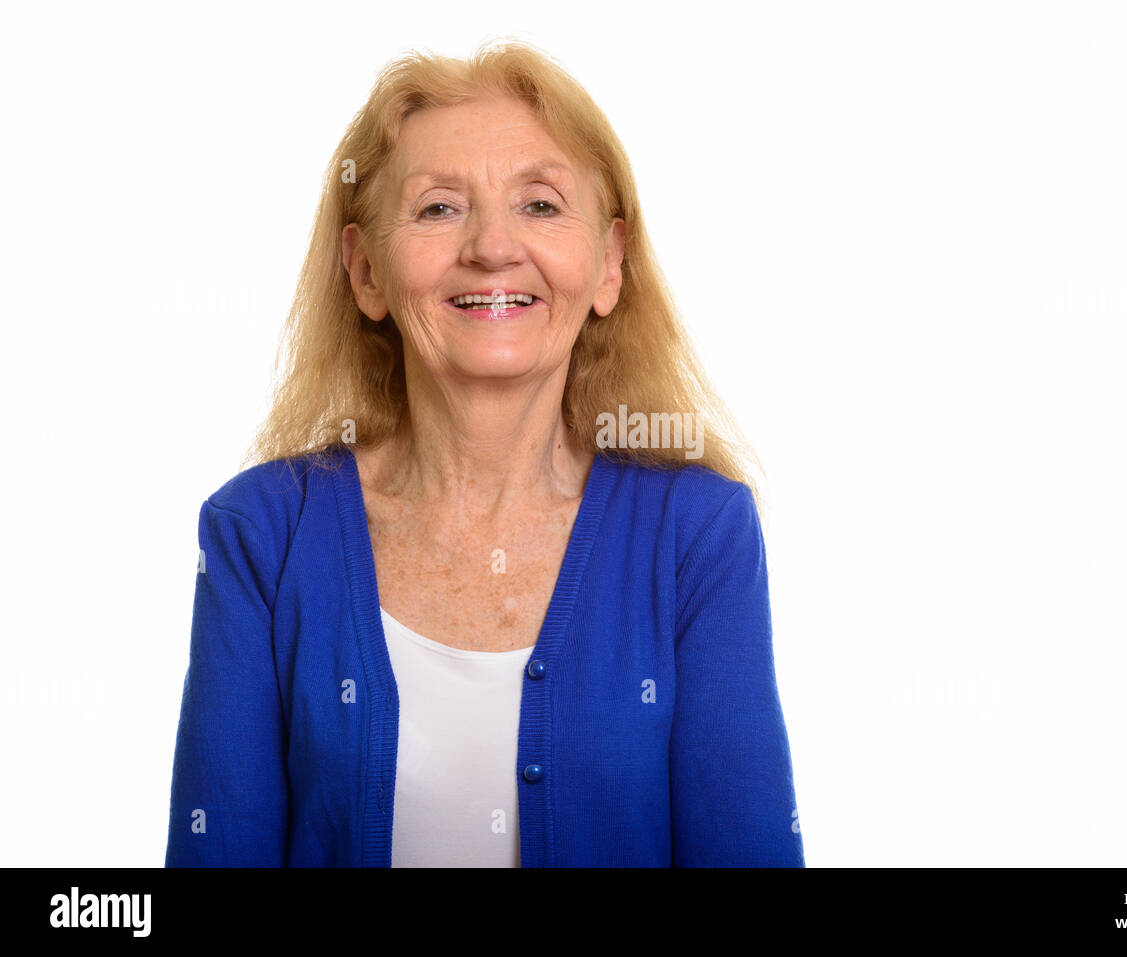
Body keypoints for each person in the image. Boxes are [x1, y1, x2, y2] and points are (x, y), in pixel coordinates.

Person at [165, 39, 804, 867]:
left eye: (540, 205)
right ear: (365, 272)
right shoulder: (259, 533)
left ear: (608, 265)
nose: (493, 247)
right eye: (438, 208)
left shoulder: (698, 534)